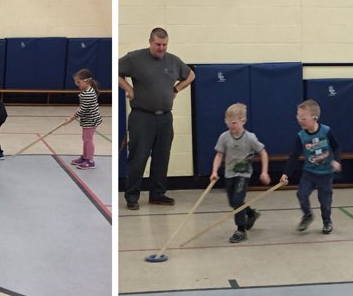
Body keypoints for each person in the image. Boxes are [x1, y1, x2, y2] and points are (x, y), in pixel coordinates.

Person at [118, 27, 196, 210]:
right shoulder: (135, 58)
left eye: (164, 45)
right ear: (150, 42)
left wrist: (176, 89)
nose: (161, 48)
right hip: (141, 117)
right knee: (138, 157)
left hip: (165, 118)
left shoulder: (173, 61)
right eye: (158, 44)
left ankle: (158, 194)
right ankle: (132, 196)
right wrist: (128, 89)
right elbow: (116, 70)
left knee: (162, 157)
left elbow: (191, 75)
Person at [210, 103, 270, 243]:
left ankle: (240, 230)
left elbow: (263, 153)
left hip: (243, 174)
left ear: (243, 120)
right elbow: (219, 155)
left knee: (237, 201)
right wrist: (214, 171)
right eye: (227, 122)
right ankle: (251, 213)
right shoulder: (224, 137)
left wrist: (264, 172)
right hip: (229, 173)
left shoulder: (250, 138)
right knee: (233, 202)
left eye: (234, 122)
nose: (230, 125)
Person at [280, 100, 341, 235]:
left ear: (314, 118)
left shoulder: (326, 131)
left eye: (303, 118)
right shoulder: (301, 136)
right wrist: (286, 174)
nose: (299, 120)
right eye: (298, 117)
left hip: (326, 173)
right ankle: (307, 215)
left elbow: (336, 147)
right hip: (309, 173)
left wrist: (337, 160)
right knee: (301, 194)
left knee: (325, 200)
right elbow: (294, 156)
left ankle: (327, 221)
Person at [65, 69, 104, 169]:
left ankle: (90, 161)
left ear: (86, 81)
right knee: (85, 139)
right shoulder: (87, 91)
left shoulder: (88, 94)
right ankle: (85, 157)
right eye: (76, 82)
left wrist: (70, 119)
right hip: (87, 119)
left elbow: (81, 110)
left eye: (78, 82)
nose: (76, 84)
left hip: (91, 120)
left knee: (88, 139)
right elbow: (82, 107)